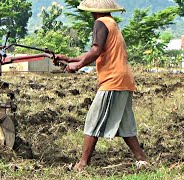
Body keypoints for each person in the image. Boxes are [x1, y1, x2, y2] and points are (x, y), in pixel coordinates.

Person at [56, 0, 147, 171]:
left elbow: (96, 51)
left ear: (93, 11)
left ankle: (83, 164)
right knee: (125, 123)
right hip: (124, 79)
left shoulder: (100, 22)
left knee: (93, 120)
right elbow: (97, 52)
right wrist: (69, 59)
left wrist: (78, 66)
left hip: (112, 80)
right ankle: (142, 159)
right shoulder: (112, 23)